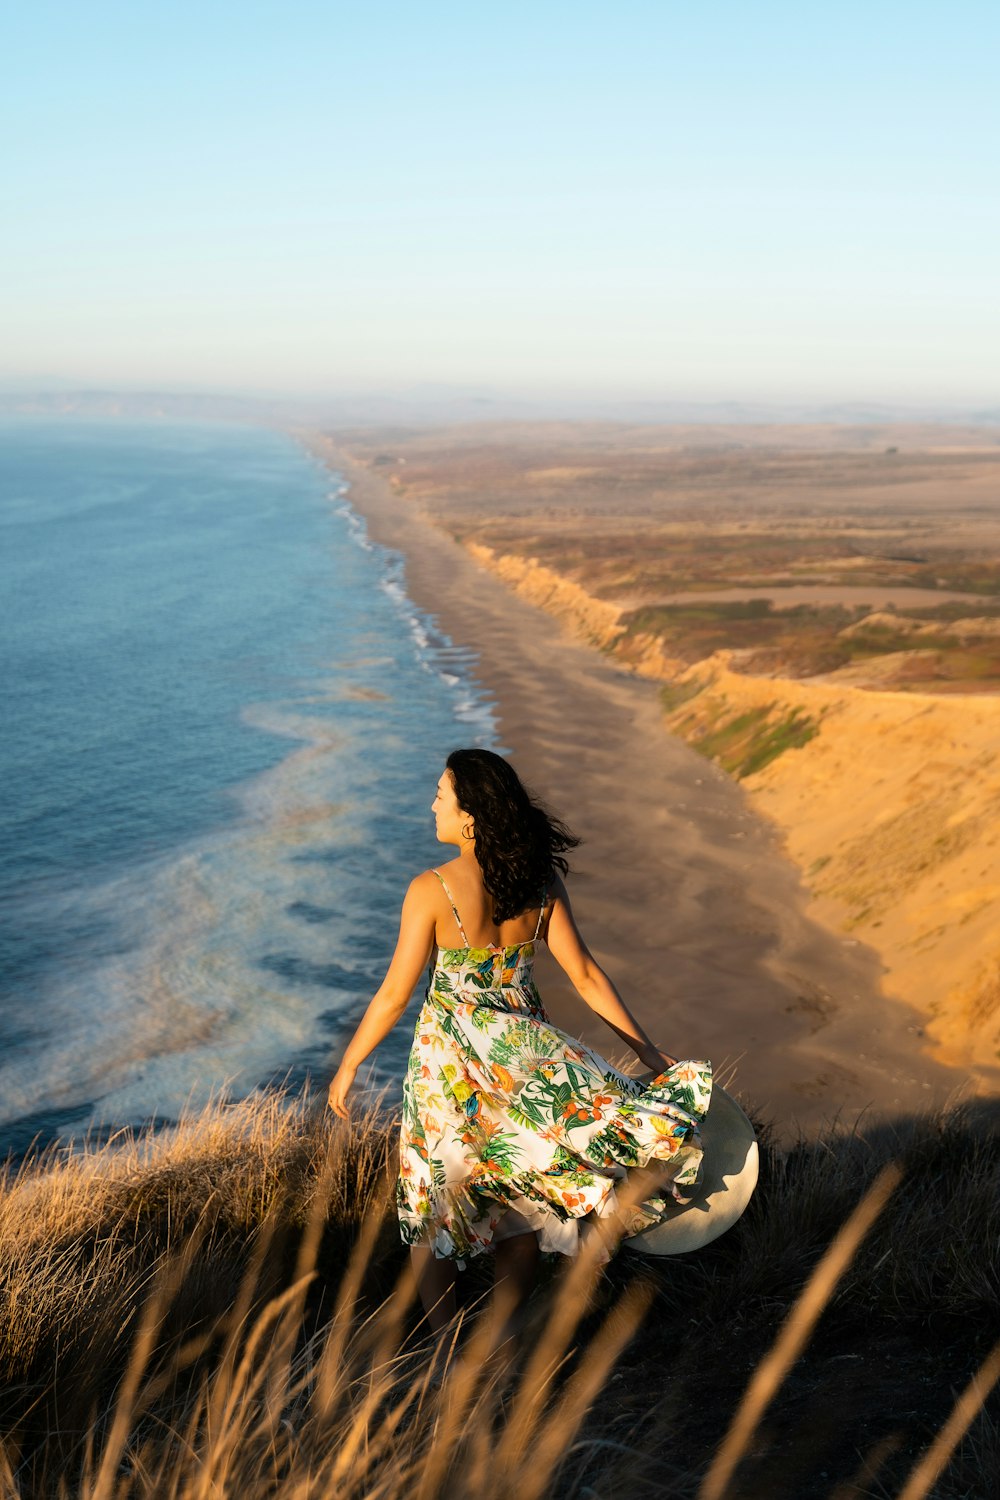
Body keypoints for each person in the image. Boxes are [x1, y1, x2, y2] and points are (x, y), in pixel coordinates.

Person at [327, 748, 712, 1346]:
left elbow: (393, 996)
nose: (432, 804)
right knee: (518, 1203)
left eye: (440, 795)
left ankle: (450, 1355)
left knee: (431, 1208)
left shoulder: (430, 890)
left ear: (471, 816)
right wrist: (650, 1052)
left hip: (447, 1068)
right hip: (523, 1064)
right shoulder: (539, 881)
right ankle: (500, 1344)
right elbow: (585, 977)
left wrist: (348, 1065)